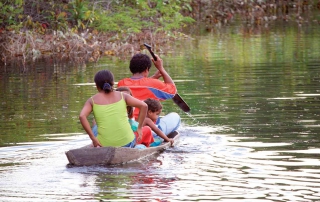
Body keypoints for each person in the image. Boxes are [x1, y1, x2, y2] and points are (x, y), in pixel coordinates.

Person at [79, 69, 148, 148]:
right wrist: (139, 128)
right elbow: (144, 106)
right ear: (112, 83)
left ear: (97, 86)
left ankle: (95, 144)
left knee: (95, 124)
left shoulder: (92, 100)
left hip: (104, 145)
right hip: (127, 142)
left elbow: (82, 116)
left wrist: (93, 138)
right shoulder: (122, 96)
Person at [117, 53, 180, 136]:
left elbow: (139, 85)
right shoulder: (154, 84)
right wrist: (161, 69)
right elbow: (172, 91)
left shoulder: (122, 84)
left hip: (127, 127)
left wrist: (153, 78)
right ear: (146, 69)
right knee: (176, 117)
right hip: (149, 130)